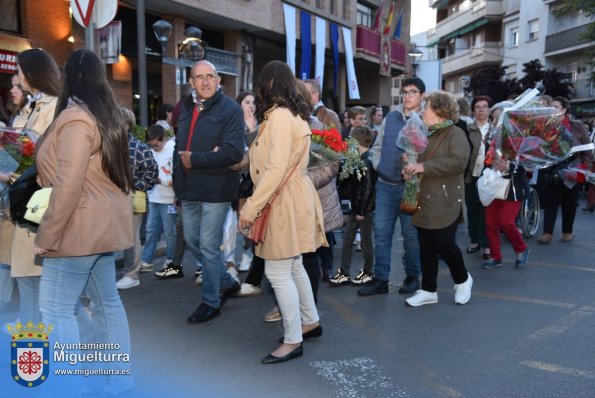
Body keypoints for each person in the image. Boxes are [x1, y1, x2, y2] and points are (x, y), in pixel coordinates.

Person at [34, 49, 134, 395]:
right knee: (108, 303)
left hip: (77, 229)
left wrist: (47, 233)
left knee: (55, 309)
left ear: (70, 77)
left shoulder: (77, 118)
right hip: (100, 229)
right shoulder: (105, 115)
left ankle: (69, 386)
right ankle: (119, 379)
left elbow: (68, 183)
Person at [238, 60, 326, 364]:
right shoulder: (294, 115)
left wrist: (249, 208)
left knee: (278, 271)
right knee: (294, 265)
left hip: (281, 199)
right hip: (293, 196)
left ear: (268, 84)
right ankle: (310, 321)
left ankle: (293, 340)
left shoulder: (277, 117)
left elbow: (274, 169)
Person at [174, 60, 244, 324]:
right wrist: (178, 181)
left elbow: (233, 152)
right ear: (191, 82)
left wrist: (197, 159)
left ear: (218, 80)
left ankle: (211, 302)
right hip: (188, 189)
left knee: (208, 245)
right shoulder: (185, 108)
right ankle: (226, 280)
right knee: (193, 242)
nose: (204, 82)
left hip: (216, 189)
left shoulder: (231, 110)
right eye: (198, 77)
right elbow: (178, 147)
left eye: (210, 76)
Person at [402, 91, 473, 307]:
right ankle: (428, 290)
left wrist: (423, 166)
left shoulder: (456, 133)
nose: (423, 110)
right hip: (425, 198)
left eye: (428, 107)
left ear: (441, 112)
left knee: (444, 244)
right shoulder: (427, 133)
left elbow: (458, 162)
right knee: (426, 246)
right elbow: (419, 164)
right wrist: (409, 166)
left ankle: (462, 279)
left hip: (445, 199)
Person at [8, 48, 60, 326]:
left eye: (18, 72)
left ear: (31, 74)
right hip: (25, 199)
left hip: (39, 202)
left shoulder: (56, 106)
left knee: (36, 286)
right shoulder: (33, 106)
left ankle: (36, 351)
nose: (16, 78)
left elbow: (51, 157)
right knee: (28, 283)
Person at [357, 77, 424, 297]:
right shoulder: (391, 118)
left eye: (412, 92)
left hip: (410, 188)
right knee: (382, 234)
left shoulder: (425, 120)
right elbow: (376, 148)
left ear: (421, 96)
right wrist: (379, 166)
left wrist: (415, 166)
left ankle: (413, 276)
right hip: (386, 186)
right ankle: (381, 279)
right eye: (404, 92)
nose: (407, 96)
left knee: (410, 236)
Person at [537, 96, 592, 244]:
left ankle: (567, 231)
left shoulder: (577, 125)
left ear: (564, 109)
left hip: (573, 168)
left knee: (569, 201)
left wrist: (586, 168)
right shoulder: (546, 125)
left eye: (555, 106)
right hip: (552, 169)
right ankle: (547, 233)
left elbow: (587, 149)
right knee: (550, 201)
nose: (552, 109)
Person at [115, 108, 158, 289]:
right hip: (110, 198)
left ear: (126, 124)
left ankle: (132, 275)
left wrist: (135, 185)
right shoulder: (109, 145)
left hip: (130, 198)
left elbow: (152, 171)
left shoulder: (139, 147)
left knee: (132, 237)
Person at [331, 125, 377, 286]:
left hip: (364, 210)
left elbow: (367, 190)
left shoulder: (366, 162)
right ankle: (344, 272)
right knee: (349, 240)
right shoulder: (361, 159)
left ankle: (368, 272)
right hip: (357, 208)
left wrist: (361, 211)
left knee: (365, 242)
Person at [482, 153, 531, 270]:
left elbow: (530, 165)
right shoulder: (491, 137)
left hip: (514, 190)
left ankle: (521, 249)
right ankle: (495, 257)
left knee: (506, 222)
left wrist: (510, 166)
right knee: (490, 224)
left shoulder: (522, 141)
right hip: (493, 186)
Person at [465, 95, 493, 259]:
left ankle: (487, 244)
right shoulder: (468, 129)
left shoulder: (495, 129)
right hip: (471, 174)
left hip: (490, 175)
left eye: (484, 107)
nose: (481, 110)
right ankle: (474, 239)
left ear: (489, 110)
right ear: (473, 110)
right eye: (478, 107)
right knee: (472, 209)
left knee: (487, 210)